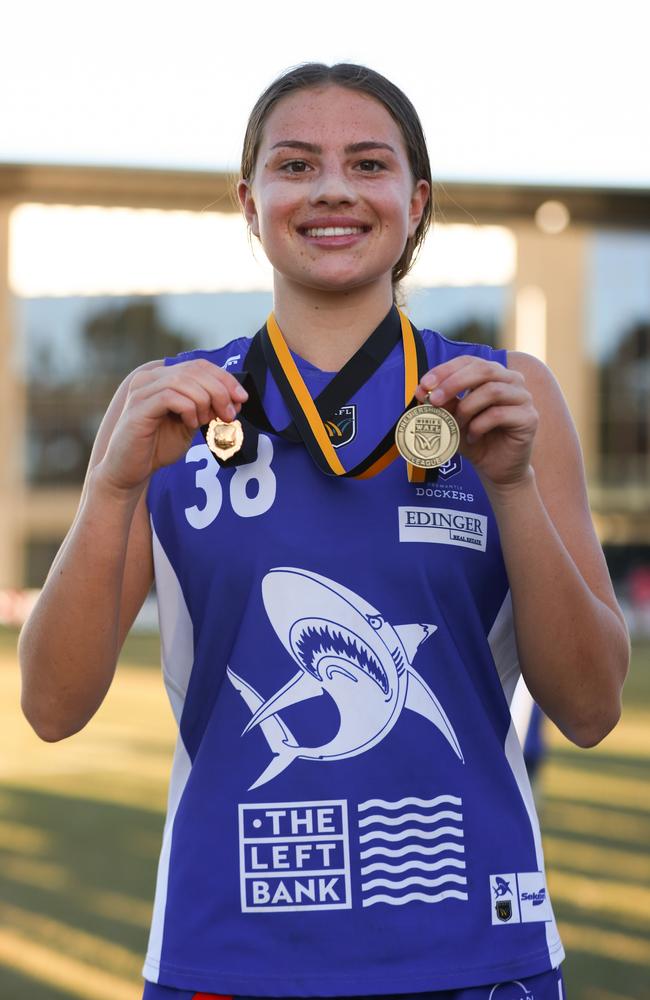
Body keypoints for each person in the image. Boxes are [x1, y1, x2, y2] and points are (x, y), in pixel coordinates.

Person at [19, 63, 629, 1000]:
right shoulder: (167, 407)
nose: (333, 188)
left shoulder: (508, 397)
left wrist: (509, 485)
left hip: (475, 944)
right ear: (249, 200)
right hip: (227, 947)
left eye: (368, 163)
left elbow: (589, 709)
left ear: (415, 201)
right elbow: (52, 710)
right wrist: (108, 491)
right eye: (296, 164)